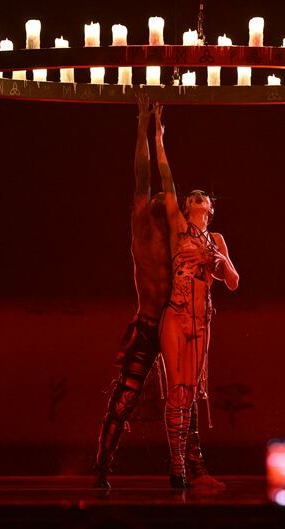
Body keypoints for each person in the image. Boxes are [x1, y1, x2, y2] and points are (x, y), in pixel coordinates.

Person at [154, 104, 239, 488]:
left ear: (211, 209)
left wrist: (220, 260)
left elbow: (234, 282)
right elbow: (167, 181)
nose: (197, 200)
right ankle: (177, 465)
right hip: (176, 313)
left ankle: (186, 468)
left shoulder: (216, 240)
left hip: (201, 319)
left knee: (190, 392)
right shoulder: (178, 228)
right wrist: (158, 139)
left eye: (203, 198)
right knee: (176, 389)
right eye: (193, 198)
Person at [93, 95, 170, 489]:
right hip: (146, 324)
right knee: (124, 399)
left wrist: (159, 138)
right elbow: (143, 175)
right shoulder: (142, 227)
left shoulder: (177, 236)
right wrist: (145, 127)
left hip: (171, 324)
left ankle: (187, 469)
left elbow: (164, 183)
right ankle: (103, 464)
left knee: (185, 400)